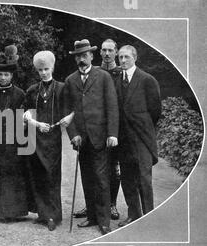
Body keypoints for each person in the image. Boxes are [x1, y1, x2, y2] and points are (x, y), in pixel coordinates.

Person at [63, 39, 119, 235]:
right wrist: (73, 134)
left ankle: (104, 221)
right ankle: (93, 216)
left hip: (100, 137)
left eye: (84, 55)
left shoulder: (103, 77)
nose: (81, 59)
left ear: (91, 56)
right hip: (82, 140)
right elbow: (67, 111)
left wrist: (112, 133)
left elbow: (112, 107)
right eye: (78, 56)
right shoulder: (70, 80)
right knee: (87, 178)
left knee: (102, 179)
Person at [22, 50, 74, 231]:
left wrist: (67, 119)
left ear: (52, 68)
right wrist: (36, 124)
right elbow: (25, 114)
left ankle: (53, 215)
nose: (43, 72)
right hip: (36, 137)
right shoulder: (32, 90)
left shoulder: (62, 88)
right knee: (38, 176)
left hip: (52, 139)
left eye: (46, 69)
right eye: (40, 70)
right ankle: (42, 214)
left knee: (51, 176)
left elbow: (72, 108)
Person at [115, 45, 161, 227]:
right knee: (127, 179)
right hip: (124, 139)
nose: (123, 60)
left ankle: (149, 218)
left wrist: (143, 126)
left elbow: (155, 110)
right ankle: (134, 214)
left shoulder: (147, 80)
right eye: (120, 57)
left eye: (126, 57)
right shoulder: (117, 80)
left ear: (135, 57)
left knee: (144, 179)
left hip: (142, 138)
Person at [0, 45, 29, 221]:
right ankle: (2, 210)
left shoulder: (20, 94)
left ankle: (16, 211)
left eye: (6, 75)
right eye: (0, 75)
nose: (3, 78)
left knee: (15, 174)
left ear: (11, 75)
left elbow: (24, 118)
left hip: (14, 139)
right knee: (0, 174)